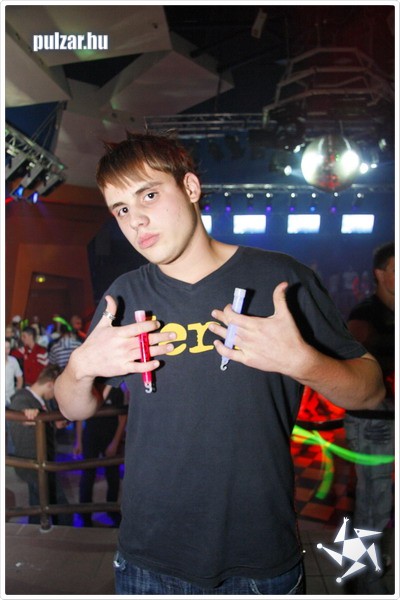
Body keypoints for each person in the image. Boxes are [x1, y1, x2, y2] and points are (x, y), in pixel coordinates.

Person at [54, 132, 385, 595]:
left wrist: (304, 362)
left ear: (190, 187)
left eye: (148, 195)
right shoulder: (124, 295)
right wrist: (80, 367)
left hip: (259, 558)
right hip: (148, 558)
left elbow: (371, 390)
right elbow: (73, 407)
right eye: (121, 209)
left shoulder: (280, 279)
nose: (136, 219)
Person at [343, 241, 395, 594]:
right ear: (380, 273)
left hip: (385, 417)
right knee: (374, 503)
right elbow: (351, 363)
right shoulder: (366, 316)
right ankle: (364, 583)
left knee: (377, 501)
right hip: (373, 420)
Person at [8, 364, 73, 526]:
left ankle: (39, 528)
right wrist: (27, 414)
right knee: (58, 504)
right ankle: (63, 532)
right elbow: (20, 412)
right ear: (50, 384)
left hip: (39, 461)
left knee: (39, 503)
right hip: (33, 462)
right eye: (57, 389)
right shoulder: (22, 398)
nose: (56, 394)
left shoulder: (41, 401)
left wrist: (53, 424)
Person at [74, 382, 127, 527]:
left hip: (110, 435)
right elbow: (80, 416)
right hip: (91, 436)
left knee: (113, 475)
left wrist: (115, 442)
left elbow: (122, 417)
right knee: (88, 475)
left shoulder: (116, 389)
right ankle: (85, 514)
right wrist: (78, 441)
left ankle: (112, 510)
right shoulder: (90, 386)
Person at [5, 338, 24, 454]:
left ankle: (12, 455)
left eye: (8, 348)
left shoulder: (13, 361)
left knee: (12, 428)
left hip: (10, 398)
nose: (6, 351)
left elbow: (20, 378)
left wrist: (17, 394)